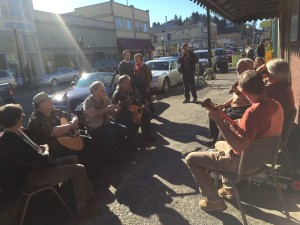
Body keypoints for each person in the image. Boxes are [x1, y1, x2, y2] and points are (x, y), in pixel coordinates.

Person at [186, 70, 284, 212]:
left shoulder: (253, 112)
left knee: (191, 159)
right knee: (219, 144)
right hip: (263, 159)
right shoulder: (276, 105)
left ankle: (214, 201)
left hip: (243, 164)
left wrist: (218, 120)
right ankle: (228, 189)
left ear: (244, 92)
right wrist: (237, 122)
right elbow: (258, 130)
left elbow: (238, 146)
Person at [0, 104, 96, 216]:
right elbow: (43, 159)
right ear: (17, 119)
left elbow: (31, 155)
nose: (23, 118)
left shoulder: (9, 136)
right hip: (30, 178)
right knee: (79, 169)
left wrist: (38, 148)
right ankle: (83, 208)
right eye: (22, 116)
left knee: (72, 159)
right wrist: (46, 149)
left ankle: (77, 195)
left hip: (32, 171)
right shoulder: (14, 141)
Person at [205, 58, 253, 147]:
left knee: (224, 119)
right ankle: (214, 139)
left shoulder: (250, 80)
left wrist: (238, 92)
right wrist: (224, 105)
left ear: (249, 67)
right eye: (237, 68)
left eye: (240, 67)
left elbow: (251, 100)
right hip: (233, 107)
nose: (237, 70)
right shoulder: (241, 79)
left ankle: (219, 144)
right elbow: (234, 98)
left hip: (242, 109)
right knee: (214, 111)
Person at [28, 92, 86, 159]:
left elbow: (71, 115)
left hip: (66, 141)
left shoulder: (54, 112)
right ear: (41, 104)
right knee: (82, 149)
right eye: (49, 100)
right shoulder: (35, 120)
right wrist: (70, 125)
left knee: (87, 140)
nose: (52, 101)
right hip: (53, 150)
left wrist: (74, 120)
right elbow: (53, 132)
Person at [83, 81, 128, 161]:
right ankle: (112, 157)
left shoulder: (105, 99)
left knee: (123, 129)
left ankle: (114, 150)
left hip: (106, 124)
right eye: (102, 90)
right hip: (94, 128)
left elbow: (112, 114)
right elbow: (93, 115)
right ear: (94, 91)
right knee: (110, 132)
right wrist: (107, 109)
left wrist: (116, 110)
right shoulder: (88, 102)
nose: (104, 91)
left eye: (104, 89)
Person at [112, 75, 154, 146]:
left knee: (145, 112)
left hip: (131, 113)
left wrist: (141, 107)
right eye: (127, 83)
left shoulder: (131, 92)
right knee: (129, 120)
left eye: (129, 83)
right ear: (121, 84)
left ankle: (146, 135)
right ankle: (131, 143)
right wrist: (133, 114)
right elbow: (118, 110)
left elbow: (136, 103)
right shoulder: (117, 94)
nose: (129, 85)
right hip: (121, 116)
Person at [258, 58, 295, 125]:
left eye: (267, 72)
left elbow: (250, 88)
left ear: (273, 75)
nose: (266, 75)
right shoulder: (286, 86)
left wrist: (257, 72)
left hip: (273, 126)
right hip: (282, 124)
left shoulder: (270, 89)